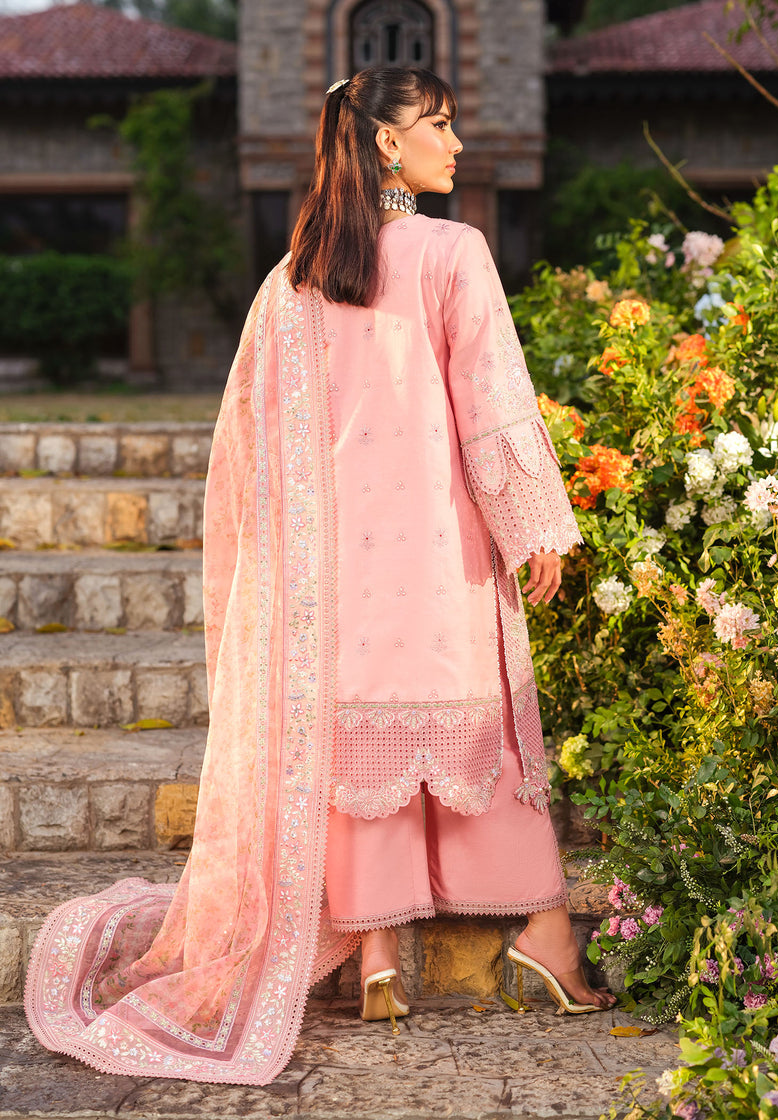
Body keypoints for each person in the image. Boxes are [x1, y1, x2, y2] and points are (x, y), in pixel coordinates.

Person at [24, 65, 612, 1088]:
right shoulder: (452, 250)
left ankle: (377, 958)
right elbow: (490, 404)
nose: (456, 142)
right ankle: (547, 933)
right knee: (480, 731)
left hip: (335, 576)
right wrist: (532, 528)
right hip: (438, 553)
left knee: (367, 748)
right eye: (437, 123)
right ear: (386, 143)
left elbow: (249, 441)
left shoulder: (295, 275)